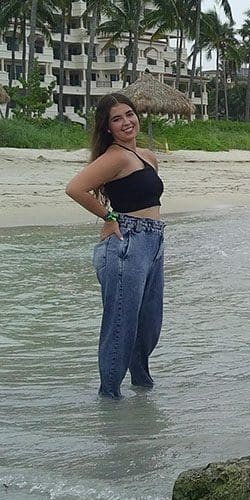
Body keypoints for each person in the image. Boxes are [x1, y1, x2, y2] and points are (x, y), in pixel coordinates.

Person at [65, 93, 165, 399]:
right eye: (116, 119)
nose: (126, 122)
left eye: (129, 114)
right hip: (127, 244)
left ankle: (142, 394)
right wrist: (108, 216)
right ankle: (109, 398)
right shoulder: (116, 156)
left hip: (153, 240)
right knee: (120, 327)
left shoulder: (147, 156)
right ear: (107, 127)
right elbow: (75, 188)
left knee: (148, 326)